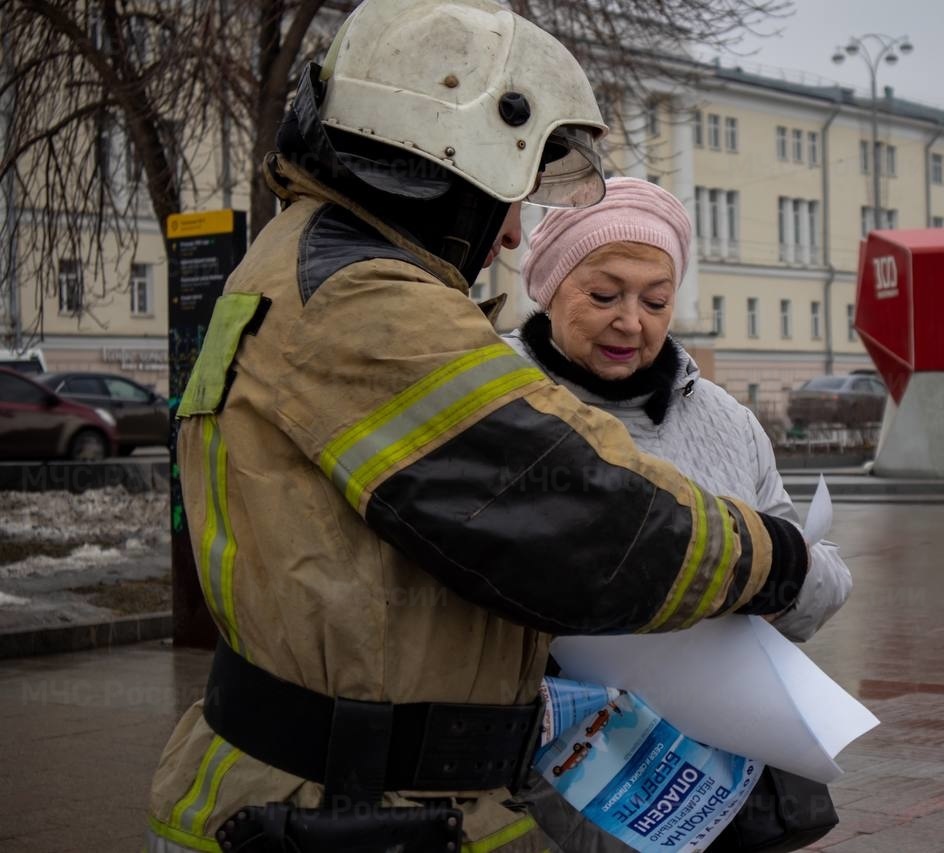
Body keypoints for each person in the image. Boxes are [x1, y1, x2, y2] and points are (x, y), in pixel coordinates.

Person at [145, 1, 810, 851]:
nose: (506, 233)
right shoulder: (366, 303)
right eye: (501, 193)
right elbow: (586, 515)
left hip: (344, 800)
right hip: (356, 813)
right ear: (425, 164)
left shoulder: (301, 262)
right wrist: (776, 559)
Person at [504, 177, 852, 853]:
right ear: (548, 287)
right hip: (549, 782)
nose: (632, 320)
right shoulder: (495, 397)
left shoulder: (726, 420)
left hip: (715, 783)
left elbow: (822, 579)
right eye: (604, 295)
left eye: (655, 300)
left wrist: (784, 576)